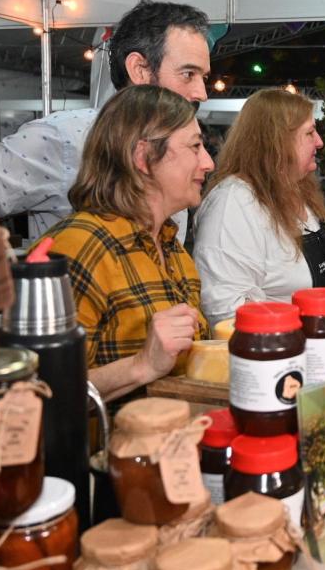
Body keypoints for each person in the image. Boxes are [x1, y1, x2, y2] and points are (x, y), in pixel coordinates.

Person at [0, 0, 211, 242]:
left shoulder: (182, 148)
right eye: (188, 74)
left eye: (204, 77)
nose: (202, 93)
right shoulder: (62, 138)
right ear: (140, 70)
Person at [41, 85, 213, 402]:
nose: (208, 163)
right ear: (143, 157)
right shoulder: (79, 247)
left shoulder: (172, 248)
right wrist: (142, 365)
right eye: (195, 147)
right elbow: (40, 395)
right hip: (107, 449)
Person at [194, 88, 325, 326]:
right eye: (310, 133)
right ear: (278, 142)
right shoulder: (234, 203)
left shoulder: (299, 190)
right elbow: (225, 311)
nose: (320, 142)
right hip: (279, 356)